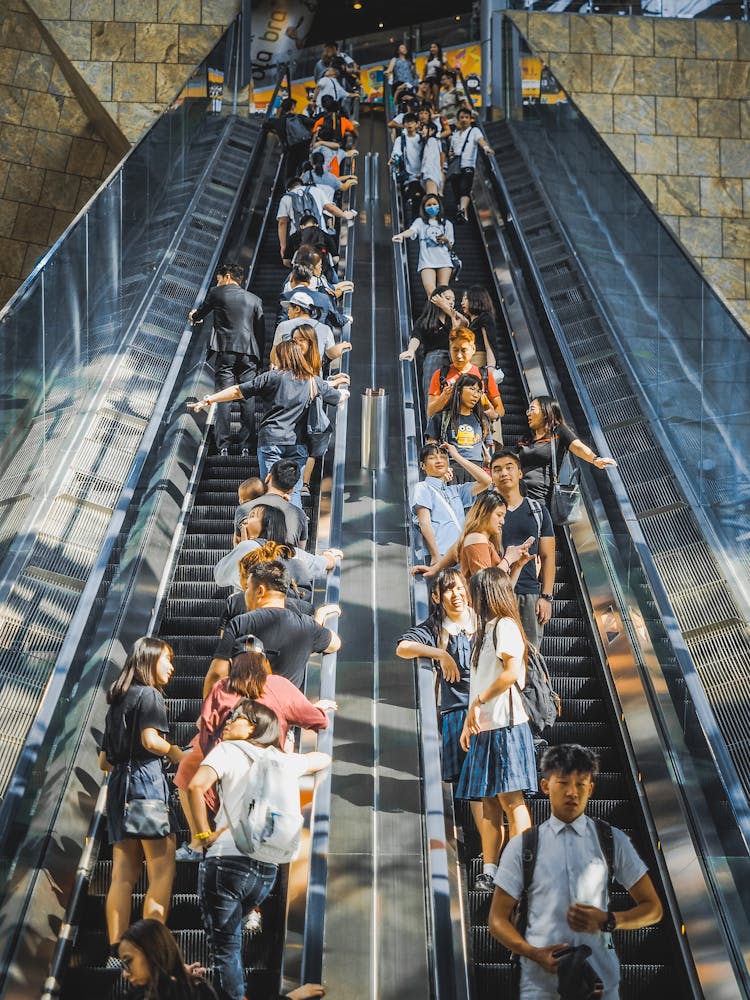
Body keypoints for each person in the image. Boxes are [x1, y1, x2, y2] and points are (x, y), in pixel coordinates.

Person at [489, 744, 663, 999]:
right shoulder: (524, 846)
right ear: (545, 786)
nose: (572, 792)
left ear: (591, 789)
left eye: (581, 785)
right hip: (538, 984)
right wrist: (532, 952)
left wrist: (609, 920)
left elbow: (654, 908)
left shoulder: (612, 841)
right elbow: (496, 920)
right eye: (563, 783)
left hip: (599, 983)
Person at [188, 701, 331, 1000]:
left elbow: (195, 787)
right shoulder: (279, 759)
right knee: (232, 942)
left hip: (227, 860)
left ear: (252, 727)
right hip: (266, 872)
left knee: (226, 949)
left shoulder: (229, 750)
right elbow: (323, 758)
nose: (226, 722)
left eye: (234, 718)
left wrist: (202, 834)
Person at [175, 647, 335, 858]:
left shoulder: (222, 687)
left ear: (232, 665)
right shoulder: (277, 684)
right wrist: (319, 710)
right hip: (268, 756)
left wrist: (209, 758)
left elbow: (205, 727)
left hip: (222, 760)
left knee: (187, 770)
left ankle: (197, 843)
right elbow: (316, 721)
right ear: (264, 663)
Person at [99, 637, 184, 957]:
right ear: (149, 661)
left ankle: (116, 953)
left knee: (122, 876)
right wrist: (177, 753)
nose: (172, 667)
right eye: (167, 660)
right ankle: (149, 955)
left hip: (120, 787)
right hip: (146, 784)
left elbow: (103, 762)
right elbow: (151, 740)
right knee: (162, 870)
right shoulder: (149, 695)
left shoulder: (117, 701)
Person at [188, 340, 347, 507]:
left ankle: (274, 529)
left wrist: (209, 400)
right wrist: (340, 388)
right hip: (298, 444)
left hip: (270, 441)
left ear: (281, 356)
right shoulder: (313, 381)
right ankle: (296, 529)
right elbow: (338, 398)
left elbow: (237, 390)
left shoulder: (271, 377)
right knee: (294, 490)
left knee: (271, 490)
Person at [456, 568, 537, 889]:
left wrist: (478, 704)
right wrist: (469, 720)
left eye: (475, 592)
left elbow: (511, 673)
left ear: (487, 594)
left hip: (506, 723)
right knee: (488, 801)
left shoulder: (504, 626)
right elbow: (481, 681)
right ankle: (490, 870)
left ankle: (519, 871)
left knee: (511, 800)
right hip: (485, 727)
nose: (471, 599)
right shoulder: (485, 629)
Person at [203, 559, 342, 696]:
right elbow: (335, 644)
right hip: (285, 713)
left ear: (260, 591)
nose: (245, 594)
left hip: (245, 711)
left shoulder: (240, 623)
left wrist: (209, 715)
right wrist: (318, 619)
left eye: (248, 588)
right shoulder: (307, 626)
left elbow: (218, 674)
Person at [396, 567, 474, 784]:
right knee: (470, 787)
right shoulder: (436, 627)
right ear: (436, 597)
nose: (456, 595)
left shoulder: (484, 621)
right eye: (449, 590)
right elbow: (403, 647)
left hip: (489, 712)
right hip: (457, 713)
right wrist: (441, 654)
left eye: (460, 588)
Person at [188, 263, 265, 459]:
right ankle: (247, 446)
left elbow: (202, 312)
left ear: (227, 276)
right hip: (249, 353)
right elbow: (261, 332)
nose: (218, 282)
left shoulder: (217, 293)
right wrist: (259, 360)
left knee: (224, 397)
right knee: (247, 398)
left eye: (219, 278)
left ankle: (223, 445)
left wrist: (194, 316)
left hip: (225, 351)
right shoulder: (255, 300)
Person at [490, 449, 555, 651]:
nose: (503, 473)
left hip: (528, 594)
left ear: (520, 473)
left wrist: (546, 596)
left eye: (509, 468)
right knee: (497, 655)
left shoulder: (537, 511)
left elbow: (548, 556)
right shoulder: (486, 511)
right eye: (497, 469)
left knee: (530, 656)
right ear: (491, 476)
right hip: (495, 594)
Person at [215, 503, 341, 601]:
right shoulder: (292, 553)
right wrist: (330, 555)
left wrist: (240, 547)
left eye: (252, 516)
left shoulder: (247, 547)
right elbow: (326, 563)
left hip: (248, 615)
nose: (245, 521)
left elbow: (219, 577)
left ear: (267, 525)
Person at [518, 396, 617, 509]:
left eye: (532, 409)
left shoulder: (558, 432)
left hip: (541, 500)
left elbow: (578, 447)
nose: (528, 413)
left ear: (545, 412)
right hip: (519, 496)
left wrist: (595, 459)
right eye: (528, 410)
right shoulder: (526, 438)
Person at [410, 442, 490, 566]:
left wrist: (456, 456)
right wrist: (435, 555)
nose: (438, 460)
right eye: (432, 458)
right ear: (423, 466)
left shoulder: (455, 490)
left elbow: (486, 481)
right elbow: (424, 523)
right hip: (441, 556)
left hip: (462, 554)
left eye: (443, 457)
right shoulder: (422, 487)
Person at [118, 919, 218, 998]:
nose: (125, 974)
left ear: (152, 952)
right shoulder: (136, 995)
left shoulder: (199, 992)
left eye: (128, 961)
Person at [426, 326, 504, 422]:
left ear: (473, 349)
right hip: (450, 433)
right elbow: (430, 411)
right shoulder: (440, 374)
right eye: (455, 350)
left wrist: (494, 415)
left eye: (463, 350)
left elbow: (500, 409)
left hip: (477, 434)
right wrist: (444, 396)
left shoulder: (485, 375)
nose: (459, 355)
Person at [399, 285, 460, 405]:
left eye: (453, 300)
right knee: (433, 396)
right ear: (436, 298)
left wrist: (450, 312)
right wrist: (411, 350)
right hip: (435, 359)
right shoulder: (426, 320)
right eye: (448, 298)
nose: (451, 302)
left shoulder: (455, 319)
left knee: (454, 399)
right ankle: (431, 423)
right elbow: (416, 336)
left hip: (455, 361)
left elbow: (461, 332)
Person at [425, 372, 492, 479]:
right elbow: (431, 446)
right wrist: (441, 468)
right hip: (451, 470)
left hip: (477, 470)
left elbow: (487, 447)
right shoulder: (442, 417)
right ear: (459, 390)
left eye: (479, 391)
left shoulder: (482, 420)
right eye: (472, 389)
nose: (476, 394)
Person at [277, 177, 356, 266]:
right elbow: (329, 207)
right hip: (320, 238)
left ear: (288, 189)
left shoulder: (286, 198)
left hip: (298, 242)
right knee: (327, 267)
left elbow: (282, 223)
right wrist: (344, 215)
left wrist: (283, 246)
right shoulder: (316, 191)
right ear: (302, 184)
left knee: (297, 270)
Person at [233, 460, 309, 549]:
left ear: (268, 477)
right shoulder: (299, 514)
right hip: (286, 561)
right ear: (291, 490)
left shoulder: (244, 508)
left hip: (252, 560)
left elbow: (237, 546)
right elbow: (301, 550)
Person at [392, 192, 455, 298]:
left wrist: (445, 240)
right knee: (431, 292)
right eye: (429, 205)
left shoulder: (447, 224)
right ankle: (434, 314)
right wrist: (401, 235)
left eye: (434, 204)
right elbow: (412, 231)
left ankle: (442, 315)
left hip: (444, 261)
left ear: (439, 205)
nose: (432, 207)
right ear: (424, 207)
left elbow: (450, 246)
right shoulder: (420, 222)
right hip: (427, 262)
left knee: (443, 293)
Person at [271, 289, 351, 365]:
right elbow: (331, 354)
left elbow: (274, 358)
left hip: (288, 377)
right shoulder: (325, 329)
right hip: (314, 377)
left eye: (289, 309)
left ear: (297, 309)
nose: (287, 312)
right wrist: (342, 346)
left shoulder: (283, 326)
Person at [448, 108, 494, 223]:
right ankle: (463, 214)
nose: (464, 120)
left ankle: (462, 210)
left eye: (466, 117)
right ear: (458, 119)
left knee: (465, 187)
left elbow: (480, 140)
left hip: (468, 165)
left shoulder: (474, 131)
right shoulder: (455, 135)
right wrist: (451, 154)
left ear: (470, 119)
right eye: (462, 117)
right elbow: (451, 151)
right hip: (456, 166)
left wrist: (486, 148)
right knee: (456, 190)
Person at [422, 42, 446, 106]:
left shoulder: (442, 58)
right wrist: (423, 82)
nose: (432, 49)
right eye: (431, 47)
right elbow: (424, 72)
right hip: (428, 79)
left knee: (435, 97)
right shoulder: (428, 59)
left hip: (436, 78)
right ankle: (428, 110)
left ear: (438, 48)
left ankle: (436, 110)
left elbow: (448, 69)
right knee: (427, 97)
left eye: (434, 47)